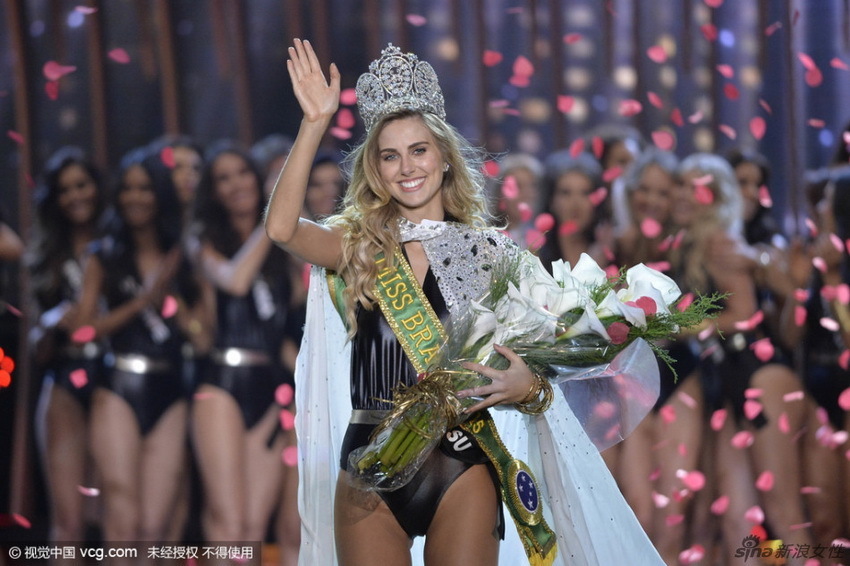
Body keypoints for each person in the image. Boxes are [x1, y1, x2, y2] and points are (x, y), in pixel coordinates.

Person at [265, 38, 663, 566]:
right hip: (369, 464)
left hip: (461, 462)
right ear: (376, 170)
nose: (406, 166)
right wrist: (314, 122)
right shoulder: (359, 244)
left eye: (419, 150)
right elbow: (282, 227)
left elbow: (539, 359)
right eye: (390, 155)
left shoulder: (495, 254)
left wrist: (529, 386)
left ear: (445, 158)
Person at [72, 148, 208, 553]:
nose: (135, 197)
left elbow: (202, 337)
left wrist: (174, 302)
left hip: (169, 389)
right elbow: (83, 330)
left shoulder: (183, 257)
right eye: (127, 189)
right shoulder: (103, 256)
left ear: (159, 195)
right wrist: (144, 299)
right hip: (117, 385)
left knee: (153, 526)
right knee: (123, 517)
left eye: (145, 189)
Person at [190, 141, 298, 547]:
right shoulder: (202, 240)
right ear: (213, 192)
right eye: (222, 178)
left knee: (253, 529)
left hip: (270, 386)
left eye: (242, 173)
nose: (235, 184)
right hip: (221, 384)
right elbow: (234, 281)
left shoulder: (281, 247)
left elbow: (293, 318)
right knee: (229, 526)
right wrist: (275, 218)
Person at [28, 148, 107, 548]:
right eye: (65, 189)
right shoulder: (46, 257)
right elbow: (36, 351)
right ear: (54, 199)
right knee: (69, 526)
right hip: (63, 380)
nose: (75, 195)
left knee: (113, 521)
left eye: (82, 184)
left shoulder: (118, 245)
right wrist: (48, 322)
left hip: (115, 380)